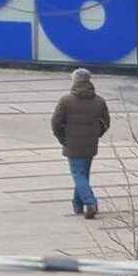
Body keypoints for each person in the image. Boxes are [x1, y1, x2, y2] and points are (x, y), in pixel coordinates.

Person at [50, 68, 110, 219]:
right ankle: (78, 205)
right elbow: (105, 122)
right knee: (83, 174)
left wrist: (62, 138)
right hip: (90, 143)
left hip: (72, 143)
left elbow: (56, 123)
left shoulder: (65, 101)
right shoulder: (99, 101)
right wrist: (96, 134)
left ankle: (90, 202)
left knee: (78, 174)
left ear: (74, 81)